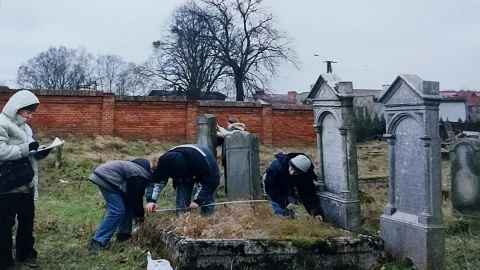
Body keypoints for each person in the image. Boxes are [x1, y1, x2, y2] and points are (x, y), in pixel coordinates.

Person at [0, 90, 51, 269]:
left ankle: (26, 254)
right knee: (4, 226)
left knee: (26, 222)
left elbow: (29, 153)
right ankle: (4, 260)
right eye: (28, 112)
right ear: (17, 108)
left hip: (25, 184)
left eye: (32, 113)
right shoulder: (2, 123)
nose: (30, 116)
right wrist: (26, 147)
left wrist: (39, 152)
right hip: (6, 186)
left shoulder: (26, 128)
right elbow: (1, 152)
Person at [88, 158, 157, 251]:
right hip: (108, 178)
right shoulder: (140, 174)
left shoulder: (135, 169)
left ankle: (124, 235)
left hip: (104, 174)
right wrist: (140, 216)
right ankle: (97, 242)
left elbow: (132, 198)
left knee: (126, 205)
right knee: (117, 211)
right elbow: (136, 197)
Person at [147, 144, 220, 215]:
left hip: (203, 161)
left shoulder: (203, 162)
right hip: (184, 171)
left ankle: (207, 218)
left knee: (207, 199)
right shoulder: (165, 162)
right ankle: (182, 218)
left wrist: (198, 201)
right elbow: (156, 182)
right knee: (182, 201)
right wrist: (151, 200)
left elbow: (210, 183)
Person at [263, 153, 323, 219]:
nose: (292, 173)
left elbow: (308, 194)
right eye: (291, 169)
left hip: (290, 184)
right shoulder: (276, 168)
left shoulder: (306, 176)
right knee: (283, 214)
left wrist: (315, 212)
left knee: (290, 212)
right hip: (274, 185)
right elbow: (272, 190)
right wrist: (285, 203)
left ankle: (290, 216)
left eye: (296, 172)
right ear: (289, 164)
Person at [216, 118, 246, 194]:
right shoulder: (230, 132)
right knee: (227, 175)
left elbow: (225, 134)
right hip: (227, 157)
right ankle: (228, 191)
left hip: (235, 158)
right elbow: (223, 135)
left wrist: (219, 128)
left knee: (234, 175)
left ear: (233, 124)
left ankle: (235, 192)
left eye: (228, 124)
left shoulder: (236, 131)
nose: (227, 126)